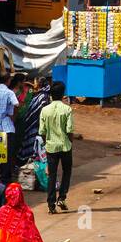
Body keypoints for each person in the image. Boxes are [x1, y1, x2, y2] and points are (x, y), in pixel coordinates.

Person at [39, 81, 75, 213]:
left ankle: (51, 205)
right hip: (65, 146)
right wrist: (70, 143)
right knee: (67, 172)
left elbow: (42, 131)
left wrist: (47, 142)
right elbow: (70, 130)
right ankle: (62, 197)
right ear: (63, 94)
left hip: (51, 147)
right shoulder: (67, 109)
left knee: (52, 175)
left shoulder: (44, 110)